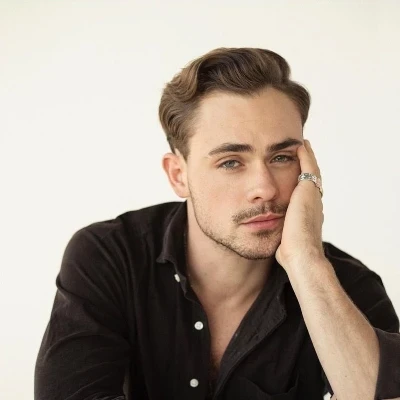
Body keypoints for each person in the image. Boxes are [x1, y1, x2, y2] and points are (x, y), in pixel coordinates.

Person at [34, 47, 400, 400]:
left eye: (282, 157)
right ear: (178, 175)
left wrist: (306, 262)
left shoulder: (346, 287)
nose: (265, 188)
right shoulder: (110, 256)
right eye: (230, 162)